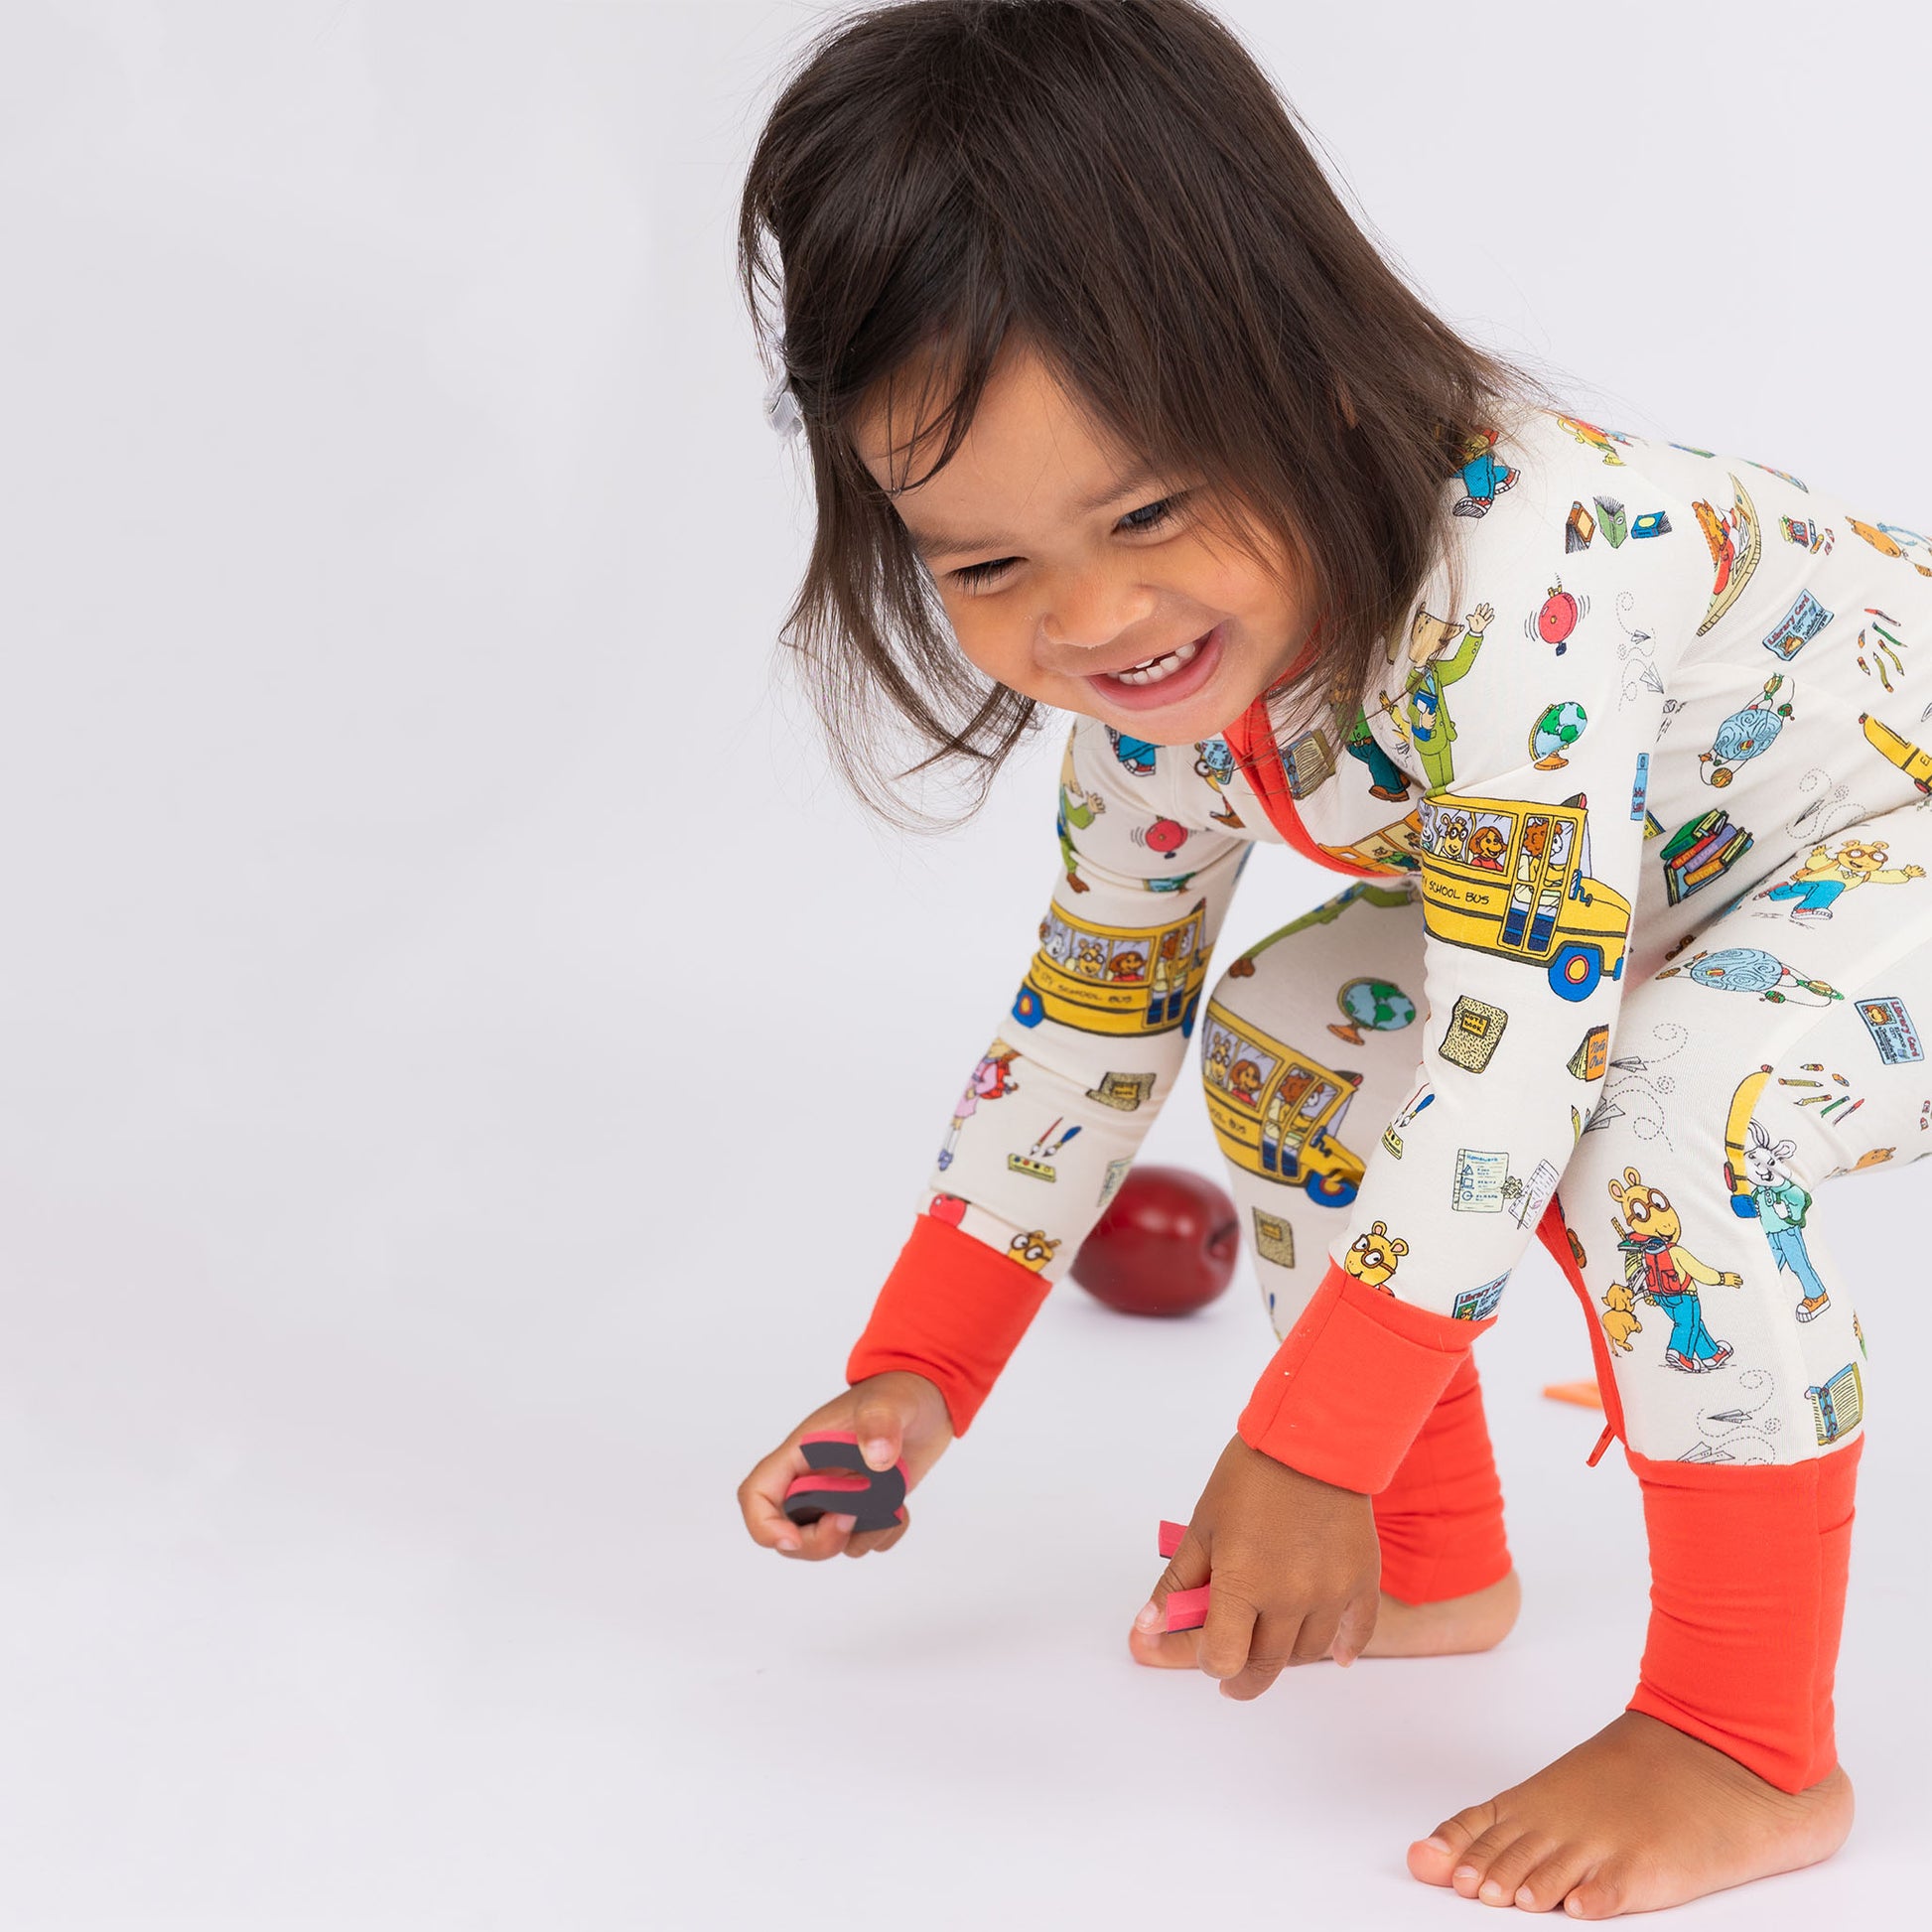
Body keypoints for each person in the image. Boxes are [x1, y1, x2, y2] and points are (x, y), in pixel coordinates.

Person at [730, 0, 1932, 1916]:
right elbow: (1084, 1020)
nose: (1093, 617)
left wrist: (1299, 1440)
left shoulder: (1524, 574)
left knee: (1669, 1126)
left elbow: (1516, 1060)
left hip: (1884, 841)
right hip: (1657, 895)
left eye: (1145, 512)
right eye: (982, 563)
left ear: (1321, 384)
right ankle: (1427, 1551)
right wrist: (912, 1380)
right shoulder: (1148, 699)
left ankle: (1744, 1735)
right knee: (1290, 1023)